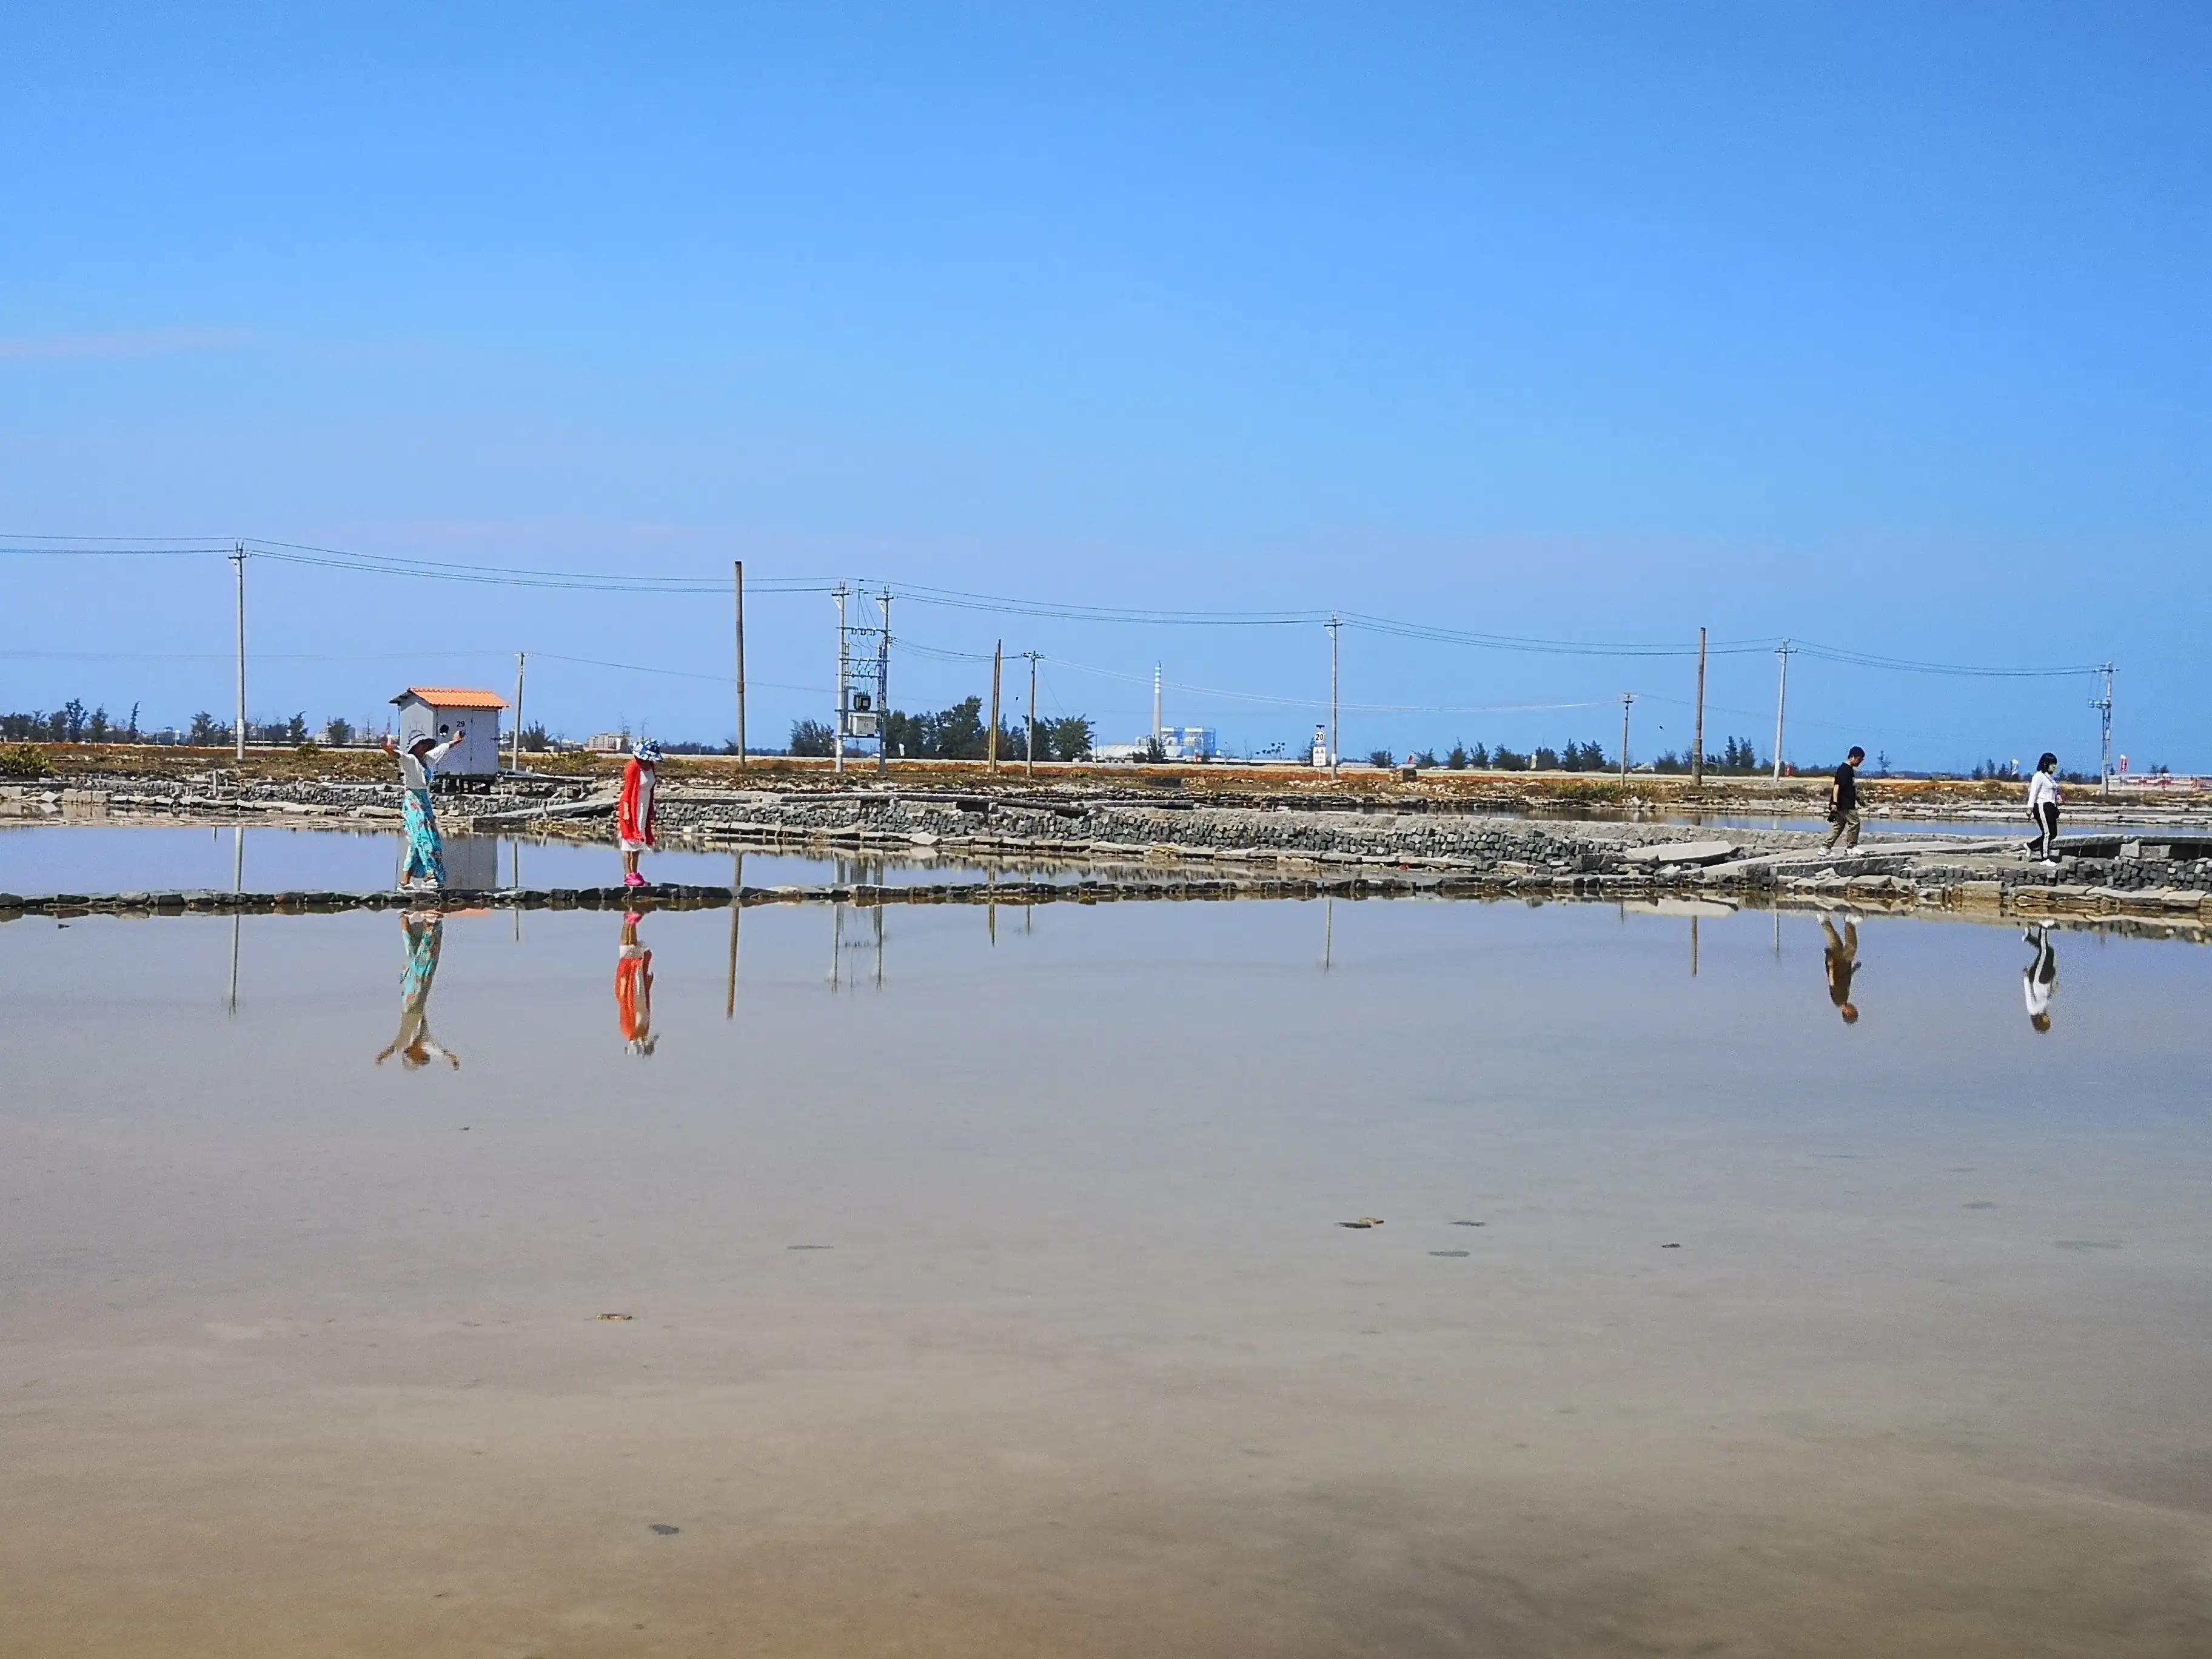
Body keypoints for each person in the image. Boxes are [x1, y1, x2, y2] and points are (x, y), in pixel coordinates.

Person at [383, 723, 464, 892]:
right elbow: (399, 756)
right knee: (424, 838)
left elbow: (443, 749)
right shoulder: (410, 760)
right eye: (420, 744)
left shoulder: (428, 759)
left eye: (424, 744)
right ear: (414, 747)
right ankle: (430, 876)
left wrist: (455, 742)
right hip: (413, 802)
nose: (423, 747)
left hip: (424, 802)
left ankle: (405, 882)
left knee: (419, 842)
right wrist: (391, 751)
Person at [375, 910, 460, 1069]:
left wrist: (385, 1056)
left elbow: (395, 1048)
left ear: (412, 1054)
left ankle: (428, 924)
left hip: (412, 1001)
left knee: (423, 963)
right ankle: (408, 918)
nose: (423, 1054)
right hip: (414, 998)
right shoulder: (423, 1041)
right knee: (413, 954)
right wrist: (450, 1058)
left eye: (420, 1057)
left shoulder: (407, 1041)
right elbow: (436, 1050)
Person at [617, 739, 662, 888]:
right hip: (632, 805)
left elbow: (650, 788)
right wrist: (626, 811)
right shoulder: (633, 766)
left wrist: (651, 810)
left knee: (639, 839)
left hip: (644, 804)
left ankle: (635, 872)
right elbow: (628, 790)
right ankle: (628, 874)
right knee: (629, 839)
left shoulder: (651, 766)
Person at [615, 911, 656, 1055]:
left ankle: (628, 922)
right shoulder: (644, 1028)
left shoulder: (628, 1030)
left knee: (626, 951)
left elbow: (625, 1003)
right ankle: (632, 923)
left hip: (629, 985)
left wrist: (626, 981)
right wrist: (647, 984)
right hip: (639, 986)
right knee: (633, 949)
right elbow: (646, 1006)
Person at [1823, 746, 1866, 852]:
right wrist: (1834, 803)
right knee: (1855, 823)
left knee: (1839, 826)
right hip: (1845, 803)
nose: (1860, 762)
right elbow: (1837, 787)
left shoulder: (1849, 770)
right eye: (1859, 759)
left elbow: (1851, 787)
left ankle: (1825, 847)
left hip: (1845, 803)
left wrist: (1858, 799)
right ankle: (1851, 847)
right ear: (1852, 757)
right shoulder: (1844, 770)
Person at [1820, 915, 1860, 1024]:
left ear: (1847, 1013)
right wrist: (1855, 969)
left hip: (1839, 965)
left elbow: (1832, 982)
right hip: (1843, 965)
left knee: (1851, 947)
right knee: (1837, 943)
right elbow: (1846, 978)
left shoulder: (1839, 1000)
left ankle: (1849, 922)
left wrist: (1830, 965)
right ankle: (1824, 921)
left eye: (1854, 1011)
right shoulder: (1844, 998)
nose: (1855, 1008)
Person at [2022, 925, 2058, 1033]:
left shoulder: (2033, 1010)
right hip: (2046, 979)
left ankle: (2043, 927)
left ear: (2041, 1022)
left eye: (2047, 1021)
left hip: (2039, 979)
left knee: (2045, 953)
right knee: (2050, 952)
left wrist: (2026, 977)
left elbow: (2029, 994)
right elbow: (2047, 995)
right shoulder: (2043, 1010)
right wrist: (2054, 983)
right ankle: (2028, 938)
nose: (2048, 1018)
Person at [2026, 751, 2062, 862]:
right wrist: (2030, 808)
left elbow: (2053, 790)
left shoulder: (2051, 777)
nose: (2054, 766)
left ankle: (2030, 846)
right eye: (2052, 764)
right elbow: (2033, 792)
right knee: (2047, 833)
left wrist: (2058, 796)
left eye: (2055, 764)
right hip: (2042, 806)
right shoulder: (2039, 776)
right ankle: (2045, 858)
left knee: (2053, 834)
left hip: (2051, 807)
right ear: (2045, 764)